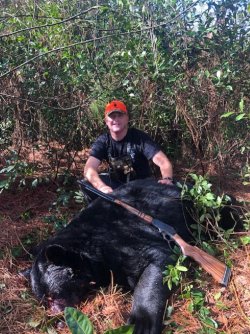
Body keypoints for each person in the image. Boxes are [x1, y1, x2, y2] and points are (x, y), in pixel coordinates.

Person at [83, 100, 173, 200]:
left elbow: (163, 161)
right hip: (116, 187)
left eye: (120, 115)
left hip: (141, 186)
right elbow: (89, 169)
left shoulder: (139, 138)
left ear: (127, 118)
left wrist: (167, 178)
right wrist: (102, 187)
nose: (116, 119)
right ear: (106, 121)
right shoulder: (103, 141)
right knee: (87, 185)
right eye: (112, 116)